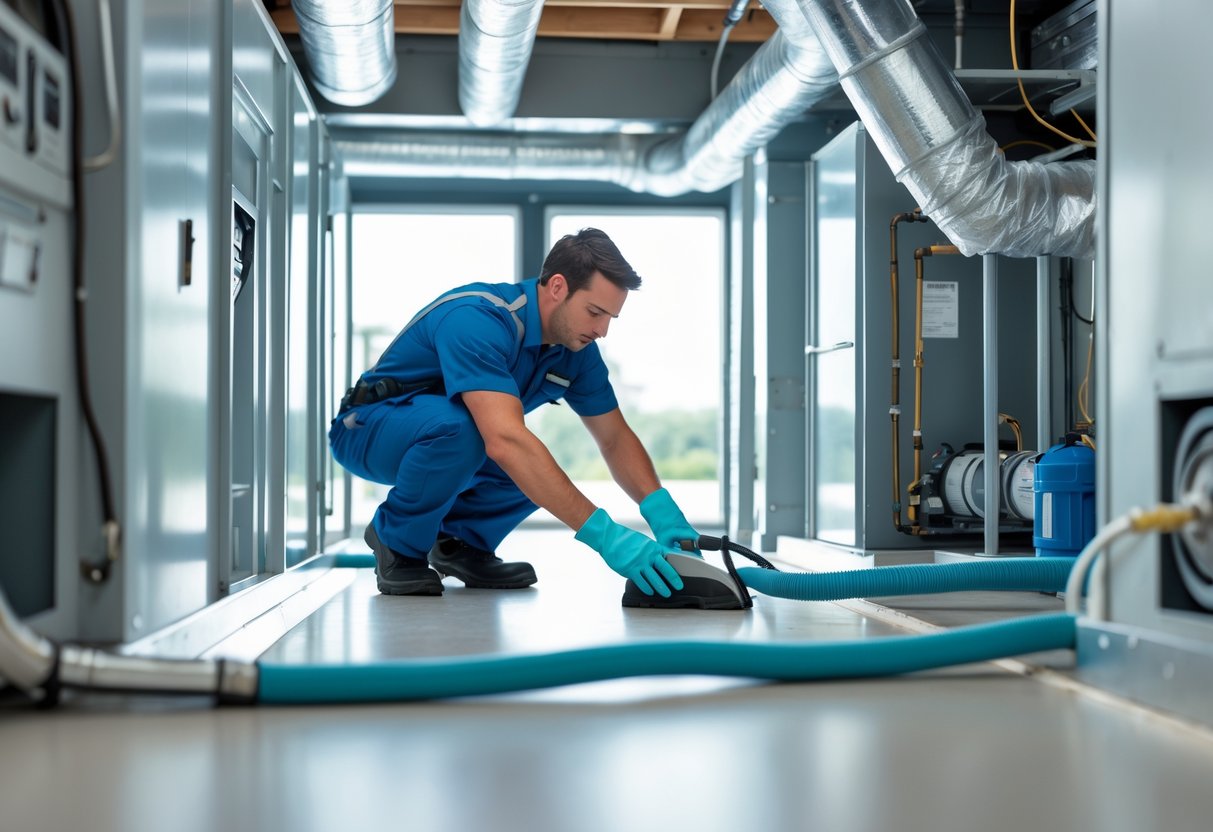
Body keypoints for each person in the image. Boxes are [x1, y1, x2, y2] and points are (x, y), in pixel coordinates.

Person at [329, 227, 701, 598]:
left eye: (610, 319)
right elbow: (504, 440)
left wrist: (661, 509)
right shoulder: (478, 319)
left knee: (534, 463)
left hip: (450, 438)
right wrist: (606, 537)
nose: (602, 330)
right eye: (594, 312)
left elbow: (614, 437)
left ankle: (459, 543)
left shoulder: (576, 352)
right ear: (557, 287)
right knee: (485, 437)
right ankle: (397, 542)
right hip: (368, 428)